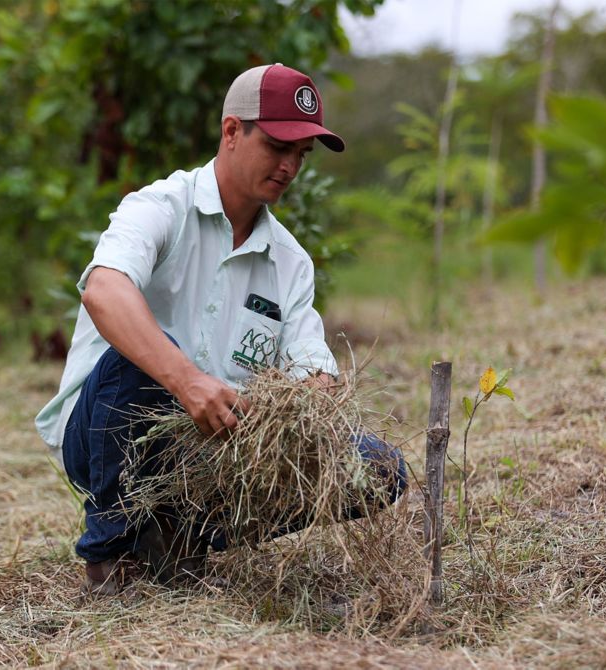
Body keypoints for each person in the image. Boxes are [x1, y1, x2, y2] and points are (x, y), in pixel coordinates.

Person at [35, 63, 406, 595]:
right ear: (232, 131)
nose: (290, 165)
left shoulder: (290, 262)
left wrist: (300, 409)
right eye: (278, 146)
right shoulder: (159, 208)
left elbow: (314, 372)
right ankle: (111, 556)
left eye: (300, 154)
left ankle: (185, 537)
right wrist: (188, 381)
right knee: (144, 360)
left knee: (377, 467)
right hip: (103, 438)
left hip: (211, 455)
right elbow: (103, 291)